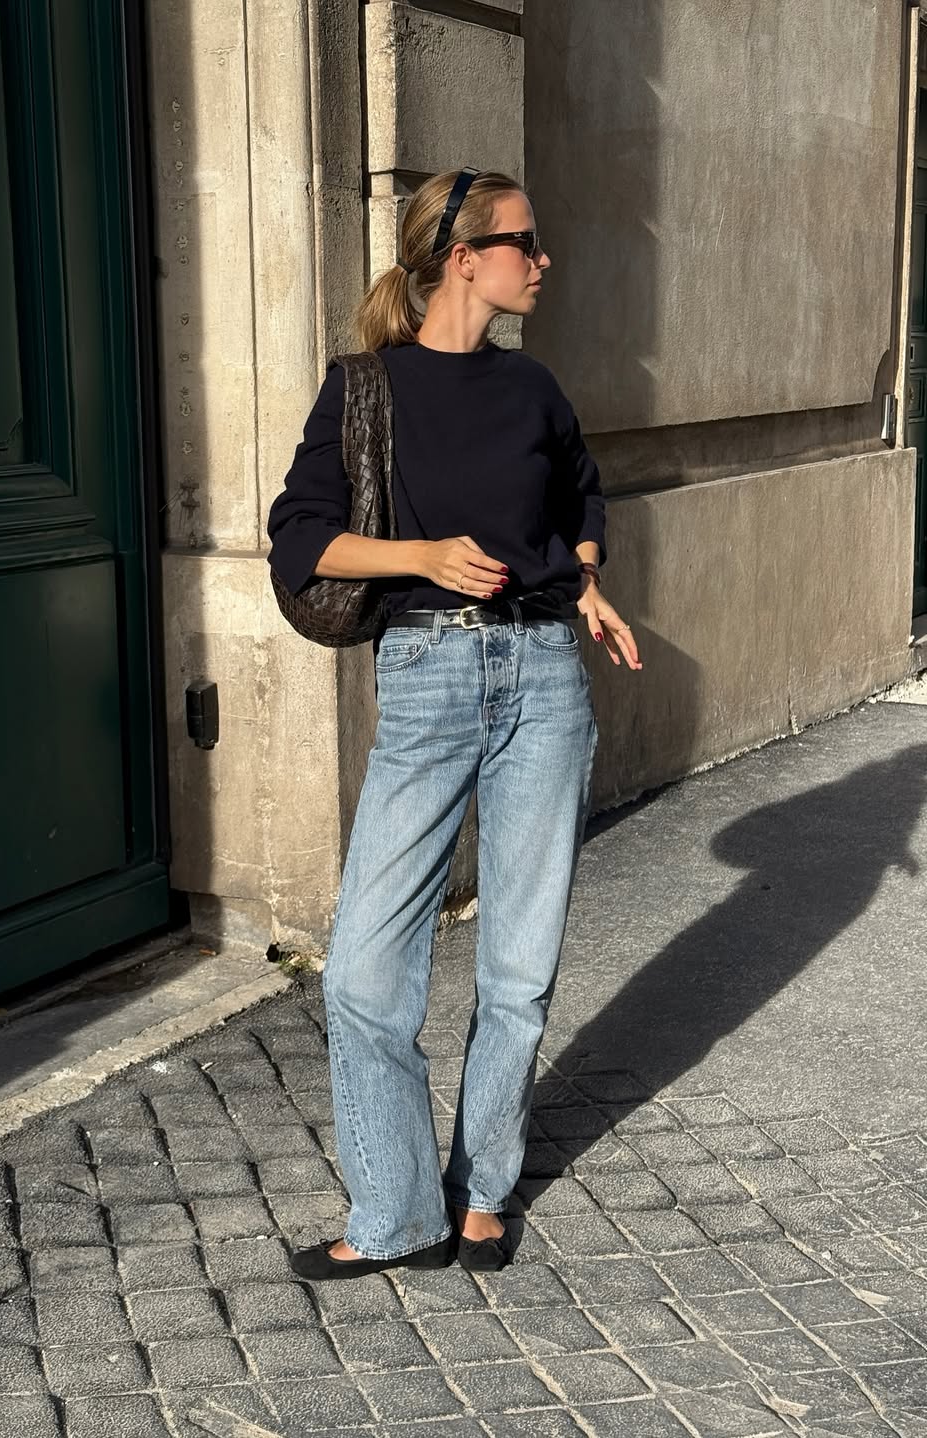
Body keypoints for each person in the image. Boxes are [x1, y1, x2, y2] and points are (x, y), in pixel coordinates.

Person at [267, 168, 642, 1281]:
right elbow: (303, 540)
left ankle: (481, 1192)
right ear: (463, 257)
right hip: (429, 673)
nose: (544, 260)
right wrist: (422, 557)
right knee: (366, 973)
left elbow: (582, 500)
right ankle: (393, 1211)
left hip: (544, 678)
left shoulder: (535, 387)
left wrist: (584, 582)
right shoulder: (365, 388)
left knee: (520, 967)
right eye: (528, 241)